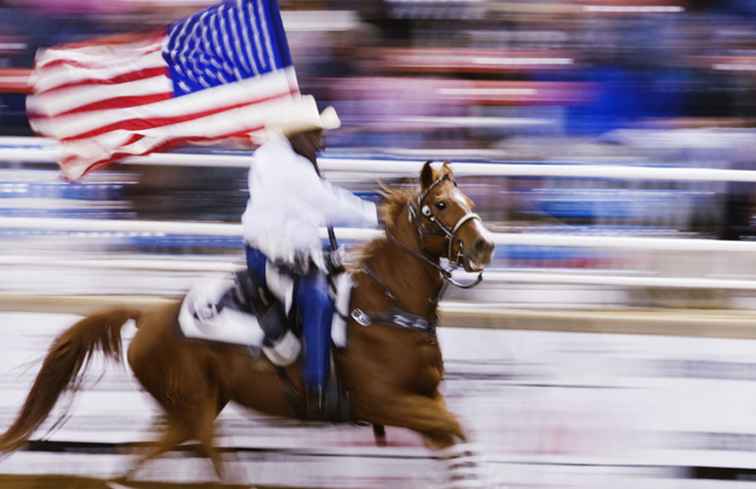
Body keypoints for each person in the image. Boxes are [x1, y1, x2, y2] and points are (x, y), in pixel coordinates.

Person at [241, 96, 379, 418]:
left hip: (287, 251)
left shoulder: (281, 159)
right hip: (272, 255)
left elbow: (306, 213)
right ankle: (315, 389)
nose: (322, 143)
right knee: (318, 299)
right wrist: (376, 215)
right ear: (298, 134)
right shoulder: (288, 166)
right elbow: (327, 203)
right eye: (317, 135)